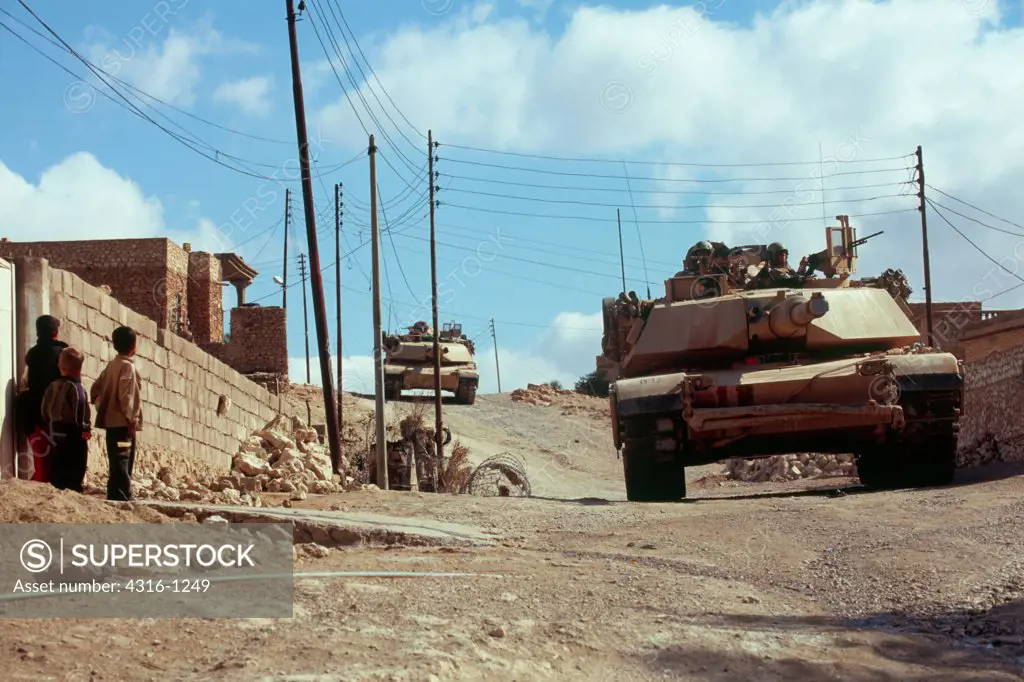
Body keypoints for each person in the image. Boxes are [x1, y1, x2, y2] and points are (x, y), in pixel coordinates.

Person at [90, 326, 143, 501]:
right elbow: (126, 397)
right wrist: (132, 420)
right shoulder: (127, 367)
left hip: (111, 423)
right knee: (123, 458)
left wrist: (101, 405)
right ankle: (123, 494)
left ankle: (114, 492)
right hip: (123, 424)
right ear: (134, 346)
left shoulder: (111, 366)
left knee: (115, 459)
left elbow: (95, 389)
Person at [20, 314, 69, 482]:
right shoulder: (63, 354)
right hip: (56, 416)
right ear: (56, 332)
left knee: (41, 459)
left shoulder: (32, 355)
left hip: (33, 415)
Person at [40, 347, 91, 492]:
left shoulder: (52, 386)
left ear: (59, 366)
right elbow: (80, 412)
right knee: (76, 463)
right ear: (79, 369)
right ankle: (74, 487)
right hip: (73, 432)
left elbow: (44, 410)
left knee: (57, 462)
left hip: (54, 430)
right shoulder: (76, 388)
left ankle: (58, 485)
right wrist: (85, 431)